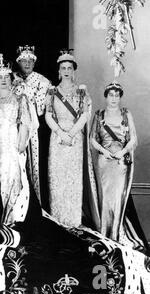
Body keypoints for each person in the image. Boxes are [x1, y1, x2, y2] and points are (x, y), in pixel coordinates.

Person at [90, 81, 149, 251]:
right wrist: (104, 151)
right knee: (104, 198)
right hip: (104, 162)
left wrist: (122, 153)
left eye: (117, 95)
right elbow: (92, 139)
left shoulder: (126, 114)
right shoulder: (99, 115)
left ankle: (115, 234)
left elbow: (134, 139)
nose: (114, 98)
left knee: (117, 198)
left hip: (120, 162)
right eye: (111, 95)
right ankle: (103, 233)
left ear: (120, 97)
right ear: (106, 96)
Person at [45, 50, 99, 229]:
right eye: (63, 68)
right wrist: (61, 134)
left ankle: (74, 222)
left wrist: (71, 134)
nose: (66, 71)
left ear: (74, 70)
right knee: (58, 179)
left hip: (75, 139)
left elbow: (84, 115)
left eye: (69, 68)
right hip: (57, 138)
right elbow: (48, 116)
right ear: (59, 71)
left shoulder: (81, 92)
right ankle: (58, 221)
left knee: (73, 180)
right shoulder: (52, 91)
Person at [0, 54, 31, 225]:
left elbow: (25, 122)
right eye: (0, 77)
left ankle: (10, 217)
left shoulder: (20, 98)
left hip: (12, 141)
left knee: (12, 175)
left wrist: (21, 143)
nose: (3, 80)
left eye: (6, 77)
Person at [15, 45, 51, 209]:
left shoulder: (43, 81)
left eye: (30, 60)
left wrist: (24, 91)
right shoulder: (10, 78)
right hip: (13, 128)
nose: (27, 63)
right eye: (24, 60)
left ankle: (36, 205)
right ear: (19, 62)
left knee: (34, 166)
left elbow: (40, 108)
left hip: (34, 129)